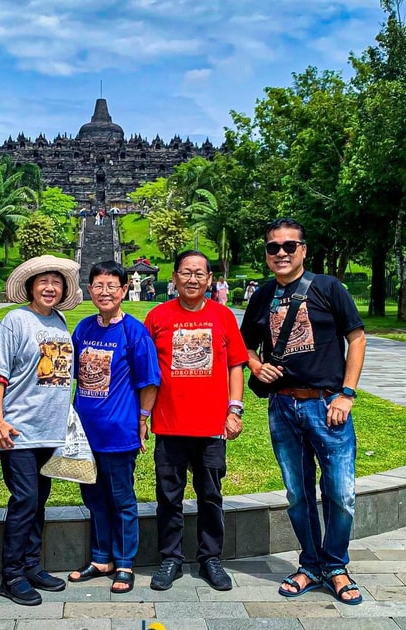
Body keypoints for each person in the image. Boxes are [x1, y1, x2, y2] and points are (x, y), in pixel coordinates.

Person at [240, 218, 366, 604]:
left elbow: (356, 338)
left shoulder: (328, 287)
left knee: (340, 492)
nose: (280, 253)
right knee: (298, 493)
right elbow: (244, 345)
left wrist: (347, 394)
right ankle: (311, 564)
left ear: (303, 250)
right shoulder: (262, 295)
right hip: (283, 406)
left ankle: (336, 565)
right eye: (273, 247)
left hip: (328, 404)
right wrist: (257, 366)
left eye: (289, 246)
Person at [143, 250, 248, 592]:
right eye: (186, 273)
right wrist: (142, 416)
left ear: (209, 279)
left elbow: (235, 364)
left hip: (211, 426)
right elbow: (145, 372)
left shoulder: (222, 316)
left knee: (210, 494)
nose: (192, 279)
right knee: (168, 496)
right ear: (174, 277)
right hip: (170, 425)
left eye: (199, 274)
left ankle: (210, 558)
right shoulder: (157, 317)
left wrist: (235, 409)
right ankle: (170, 557)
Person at [0, 255, 82, 606]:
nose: (50, 288)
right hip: (19, 429)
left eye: (56, 282)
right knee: (24, 500)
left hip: (50, 431)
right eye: (43, 282)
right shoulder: (15, 320)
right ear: (30, 287)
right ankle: (11, 575)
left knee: (39, 500)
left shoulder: (59, 322)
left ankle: (31, 565)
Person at [68, 261, 161, 594]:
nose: (104, 291)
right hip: (84, 434)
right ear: (89, 290)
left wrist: (143, 419)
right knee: (93, 498)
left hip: (119, 433)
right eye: (98, 285)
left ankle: (124, 562)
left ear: (124, 290)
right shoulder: (83, 329)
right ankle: (100, 558)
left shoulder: (134, 332)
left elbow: (149, 381)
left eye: (112, 286)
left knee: (121, 499)